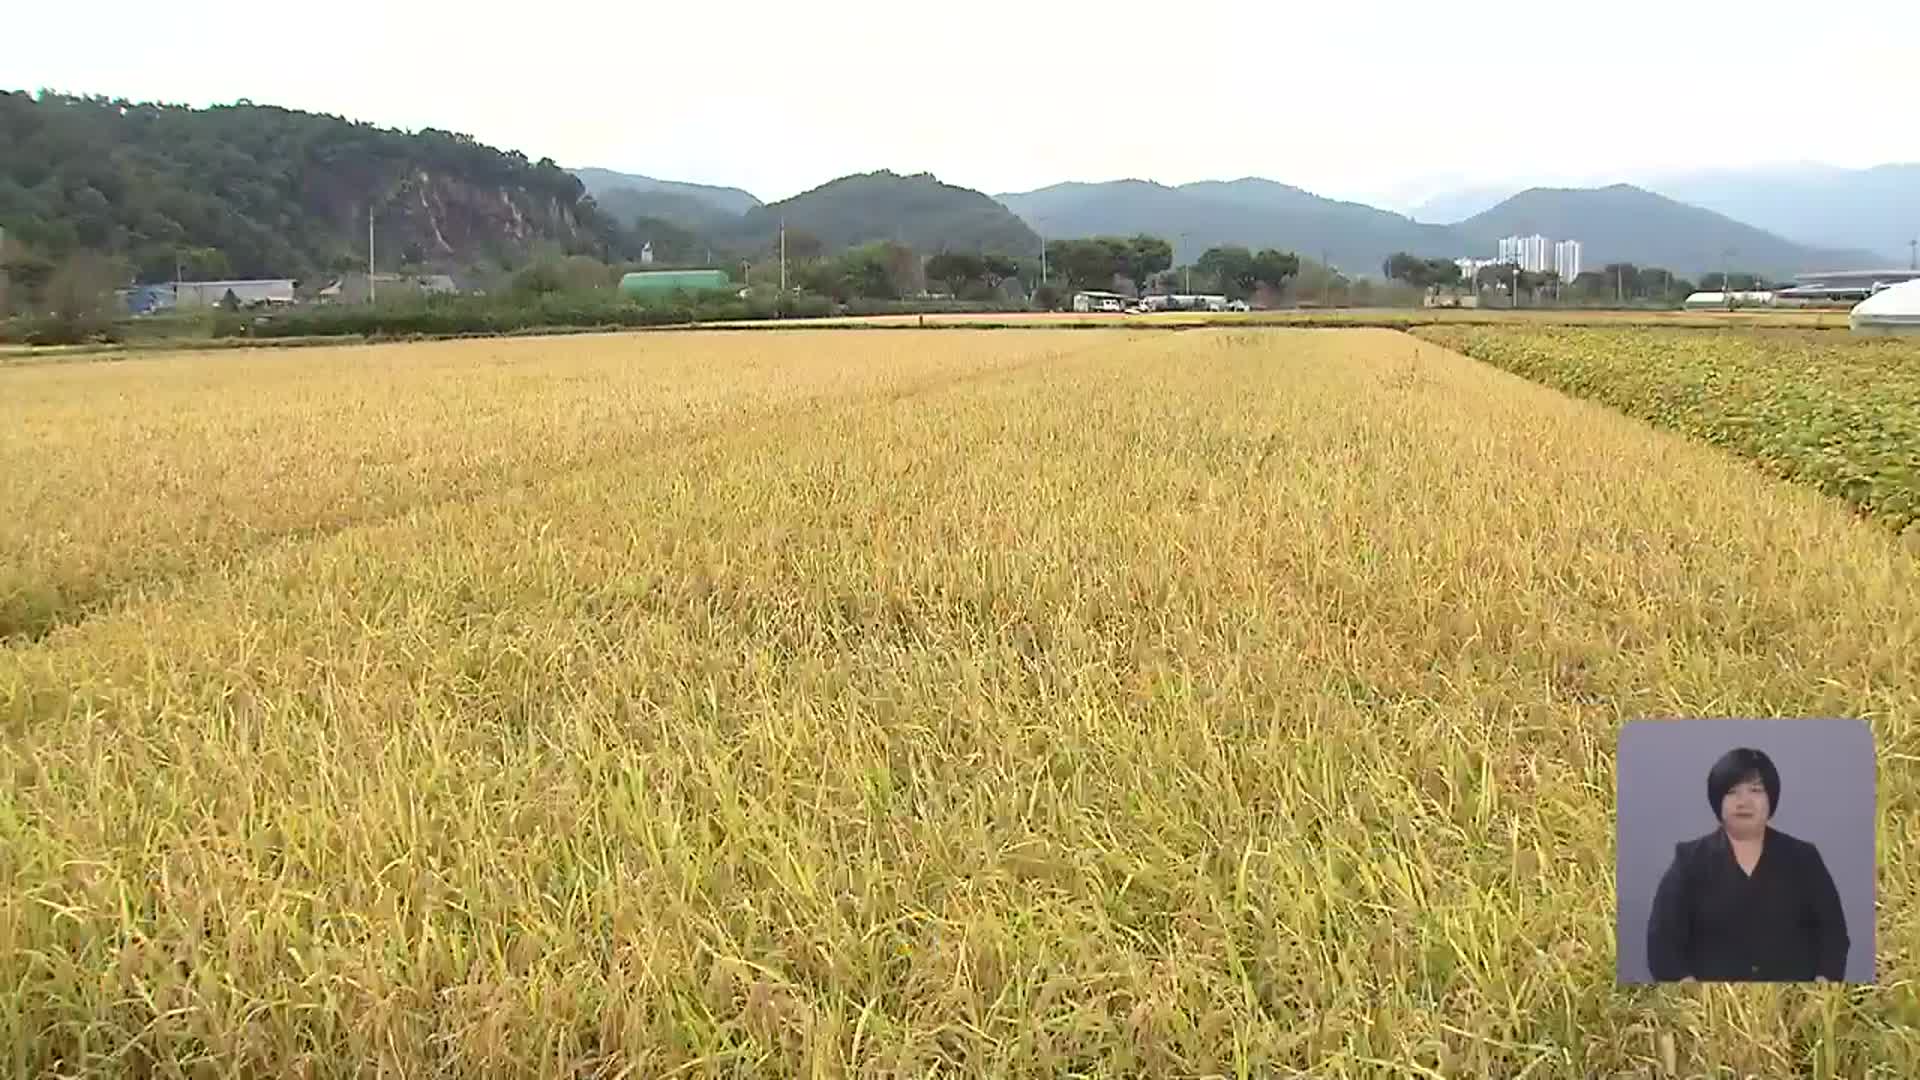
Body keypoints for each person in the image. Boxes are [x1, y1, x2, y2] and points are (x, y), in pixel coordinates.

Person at [1646, 747, 1849, 982]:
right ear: (1717, 802)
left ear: (1771, 799)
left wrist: (1821, 989)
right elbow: (1662, 942)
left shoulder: (1804, 858)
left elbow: (1834, 935)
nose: (1744, 802)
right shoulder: (1689, 861)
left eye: (1755, 790)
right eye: (1732, 792)